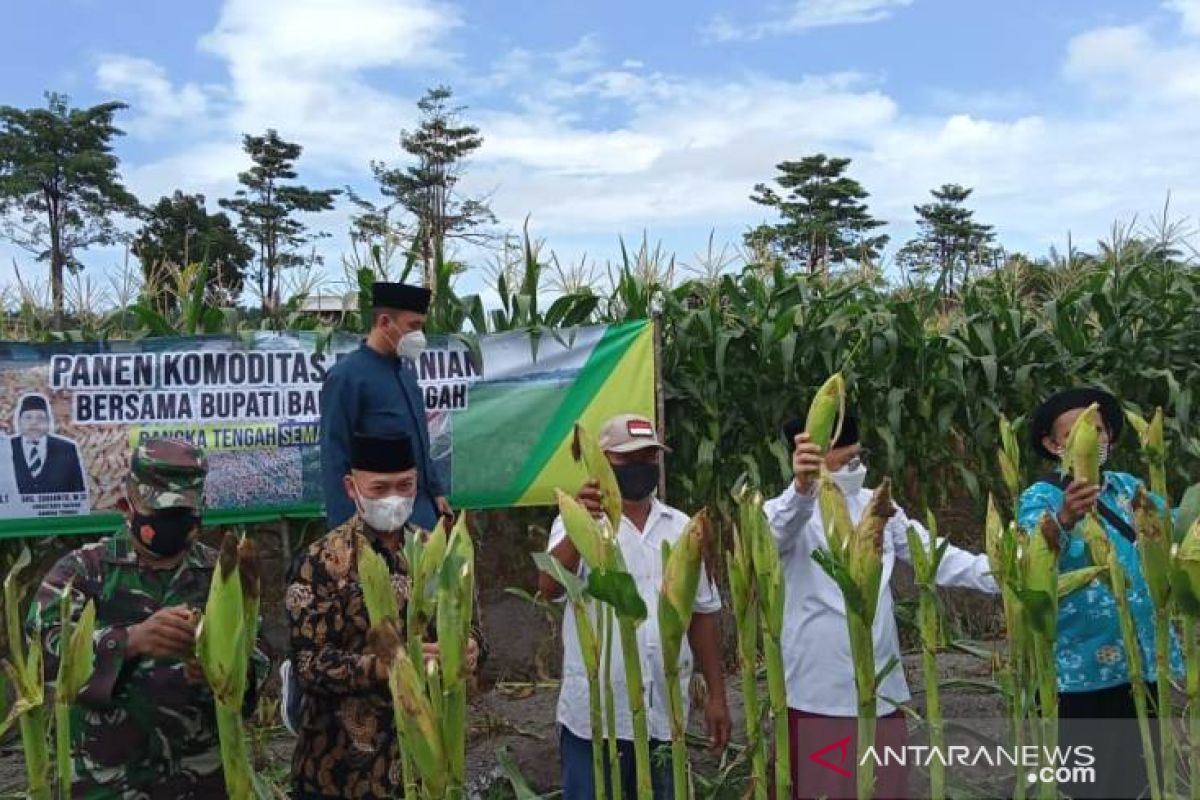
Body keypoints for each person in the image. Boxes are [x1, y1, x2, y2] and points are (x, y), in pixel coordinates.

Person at [766, 413, 999, 800]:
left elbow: (933, 556)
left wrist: (1003, 574)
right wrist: (803, 489)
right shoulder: (788, 511)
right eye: (846, 462)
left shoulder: (878, 507)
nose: (856, 468)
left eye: (860, 458)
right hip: (819, 694)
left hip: (882, 689)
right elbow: (771, 539)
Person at [25, 438, 268, 799]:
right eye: (160, 514)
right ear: (128, 505)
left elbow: (256, 651)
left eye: (181, 516)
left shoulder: (220, 575)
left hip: (201, 777)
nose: (172, 525)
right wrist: (130, 642)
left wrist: (225, 668)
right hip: (106, 780)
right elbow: (43, 653)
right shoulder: (83, 570)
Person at [537, 413, 731, 800]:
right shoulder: (575, 523)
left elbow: (703, 616)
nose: (640, 467)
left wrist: (716, 695)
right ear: (603, 462)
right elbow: (549, 587)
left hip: (665, 713)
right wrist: (582, 525)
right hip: (595, 719)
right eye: (628, 460)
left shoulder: (681, 527)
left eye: (648, 457)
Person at [288, 431, 483, 800]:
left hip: (427, 768)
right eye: (379, 488)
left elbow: (472, 627)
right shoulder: (321, 563)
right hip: (340, 775)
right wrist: (390, 666)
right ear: (351, 487)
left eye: (404, 485)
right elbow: (309, 665)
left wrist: (470, 649)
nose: (394, 498)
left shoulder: (437, 551)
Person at [1019, 386, 1183, 799]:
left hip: (1145, 662)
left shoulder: (1130, 488)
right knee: (1089, 785)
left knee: (1145, 779)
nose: (1092, 437)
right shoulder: (1042, 497)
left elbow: (1175, 531)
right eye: (1075, 431)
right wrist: (1064, 518)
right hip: (1081, 675)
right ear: (1052, 444)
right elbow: (1030, 562)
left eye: (1098, 428)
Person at [320, 281, 449, 532]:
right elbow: (334, 454)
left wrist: (436, 491)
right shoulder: (347, 377)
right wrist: (345, 529)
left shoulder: (405, 373)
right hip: (377, 516)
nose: (419, 336)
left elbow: (420, 440)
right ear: (384, 323)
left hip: (420, 512)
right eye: (414, 326)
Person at [10, 392, 86, 494]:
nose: (34, 423)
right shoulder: (5, 447)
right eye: (28, 417)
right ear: (19, 421)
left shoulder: (67, 449)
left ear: (48, 421)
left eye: (40, 417)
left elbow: (78, 491)